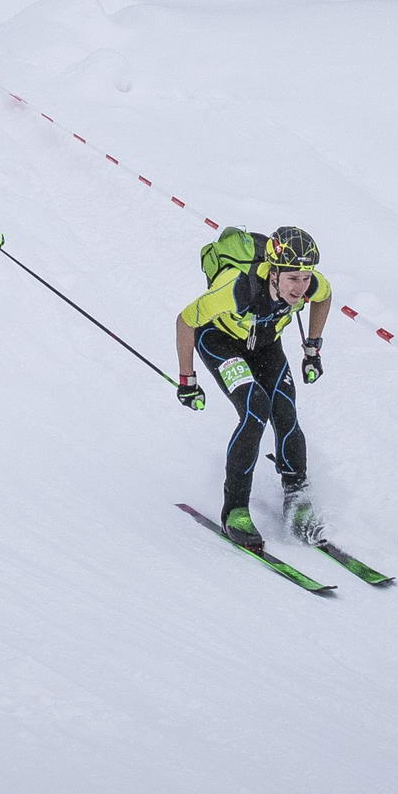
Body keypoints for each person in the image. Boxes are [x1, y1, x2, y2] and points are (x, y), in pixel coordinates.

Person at [174, 226, 331, 551]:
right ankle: (235, 509)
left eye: (305, 278)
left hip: (265, 345)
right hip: (219, 342)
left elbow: (324, 297)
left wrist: (312, 348)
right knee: (255, 409)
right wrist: (187, 379)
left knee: (286, 412)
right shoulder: (237, 287)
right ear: (273, 272)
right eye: (292, 279)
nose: (301, 288)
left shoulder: (310, 284)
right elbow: (186, 321)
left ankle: (297, 496)